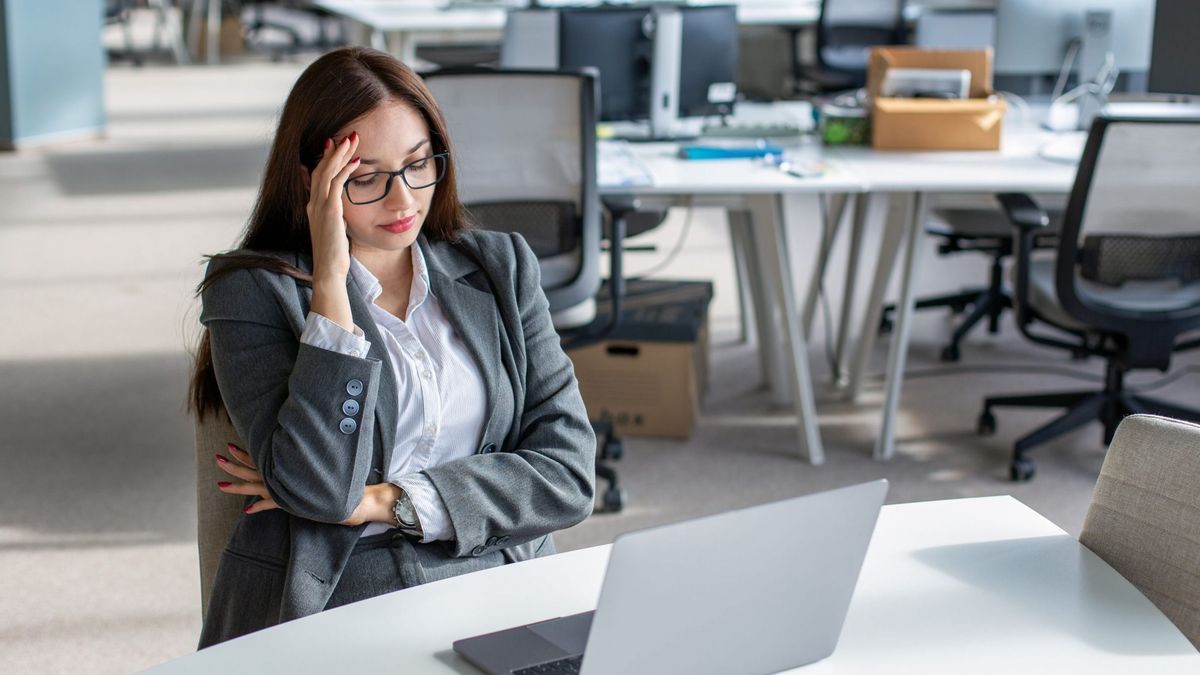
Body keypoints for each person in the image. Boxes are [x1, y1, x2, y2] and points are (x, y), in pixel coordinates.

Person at [187, 47, 596, 647]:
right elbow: (320, 490)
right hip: (342, 586)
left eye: (417, 164)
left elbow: (568, 475)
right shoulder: (252, 291)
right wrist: (330, 286)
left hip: (498, 566)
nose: (403, 200)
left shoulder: (500, 267)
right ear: (312, 182)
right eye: (366, 178)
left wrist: (389, 500)